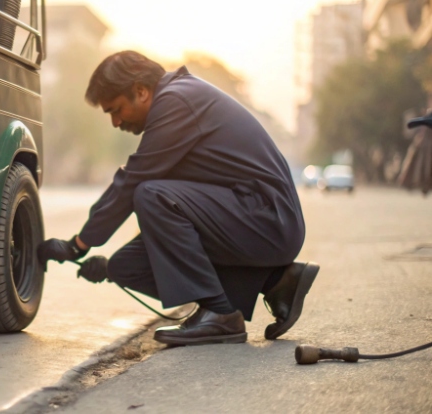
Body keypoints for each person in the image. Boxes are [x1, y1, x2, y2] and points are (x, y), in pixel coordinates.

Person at [38, 50, 318, 346]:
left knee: (150, 194)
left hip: (268, 219)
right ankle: (277, 282)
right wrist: (105, 268)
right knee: (126, 266)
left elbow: (134, 180)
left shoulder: (176, 101)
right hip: (250, 217)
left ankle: (220, 314)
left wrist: (78, 244)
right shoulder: (178, 98)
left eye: (116, 110)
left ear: (141, 91)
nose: (115, 122)